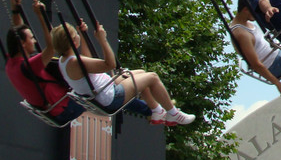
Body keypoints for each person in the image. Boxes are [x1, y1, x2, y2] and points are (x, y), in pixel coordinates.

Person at [51, 21, 194, 125]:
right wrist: (102, 40)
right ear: (72, 41)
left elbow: (87, 60)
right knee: (152, 77)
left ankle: (157, 111)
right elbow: (109, 64)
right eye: (76, 35)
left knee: (141, 74)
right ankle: (174, 114)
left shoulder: (64, 61)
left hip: (103, 91)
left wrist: (83, 35)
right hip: (111, 97)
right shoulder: (75, 62)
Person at [5, 0, 84, 124]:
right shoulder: (30, 66)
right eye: (31, 38)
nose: (35, 41)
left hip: (53, 111)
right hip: (65, 107)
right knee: (99, 85)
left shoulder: (11, 63)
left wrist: (15, 10)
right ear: (23, 44)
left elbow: (18, 33)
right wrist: (41, 16)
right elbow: (52, 46)